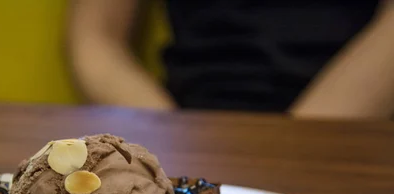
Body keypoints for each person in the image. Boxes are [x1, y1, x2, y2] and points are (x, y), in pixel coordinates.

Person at [68, 0, 394, 119]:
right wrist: (166, 139)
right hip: (187, 117)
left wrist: (301, 139)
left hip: (349, 125)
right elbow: (95, 37)